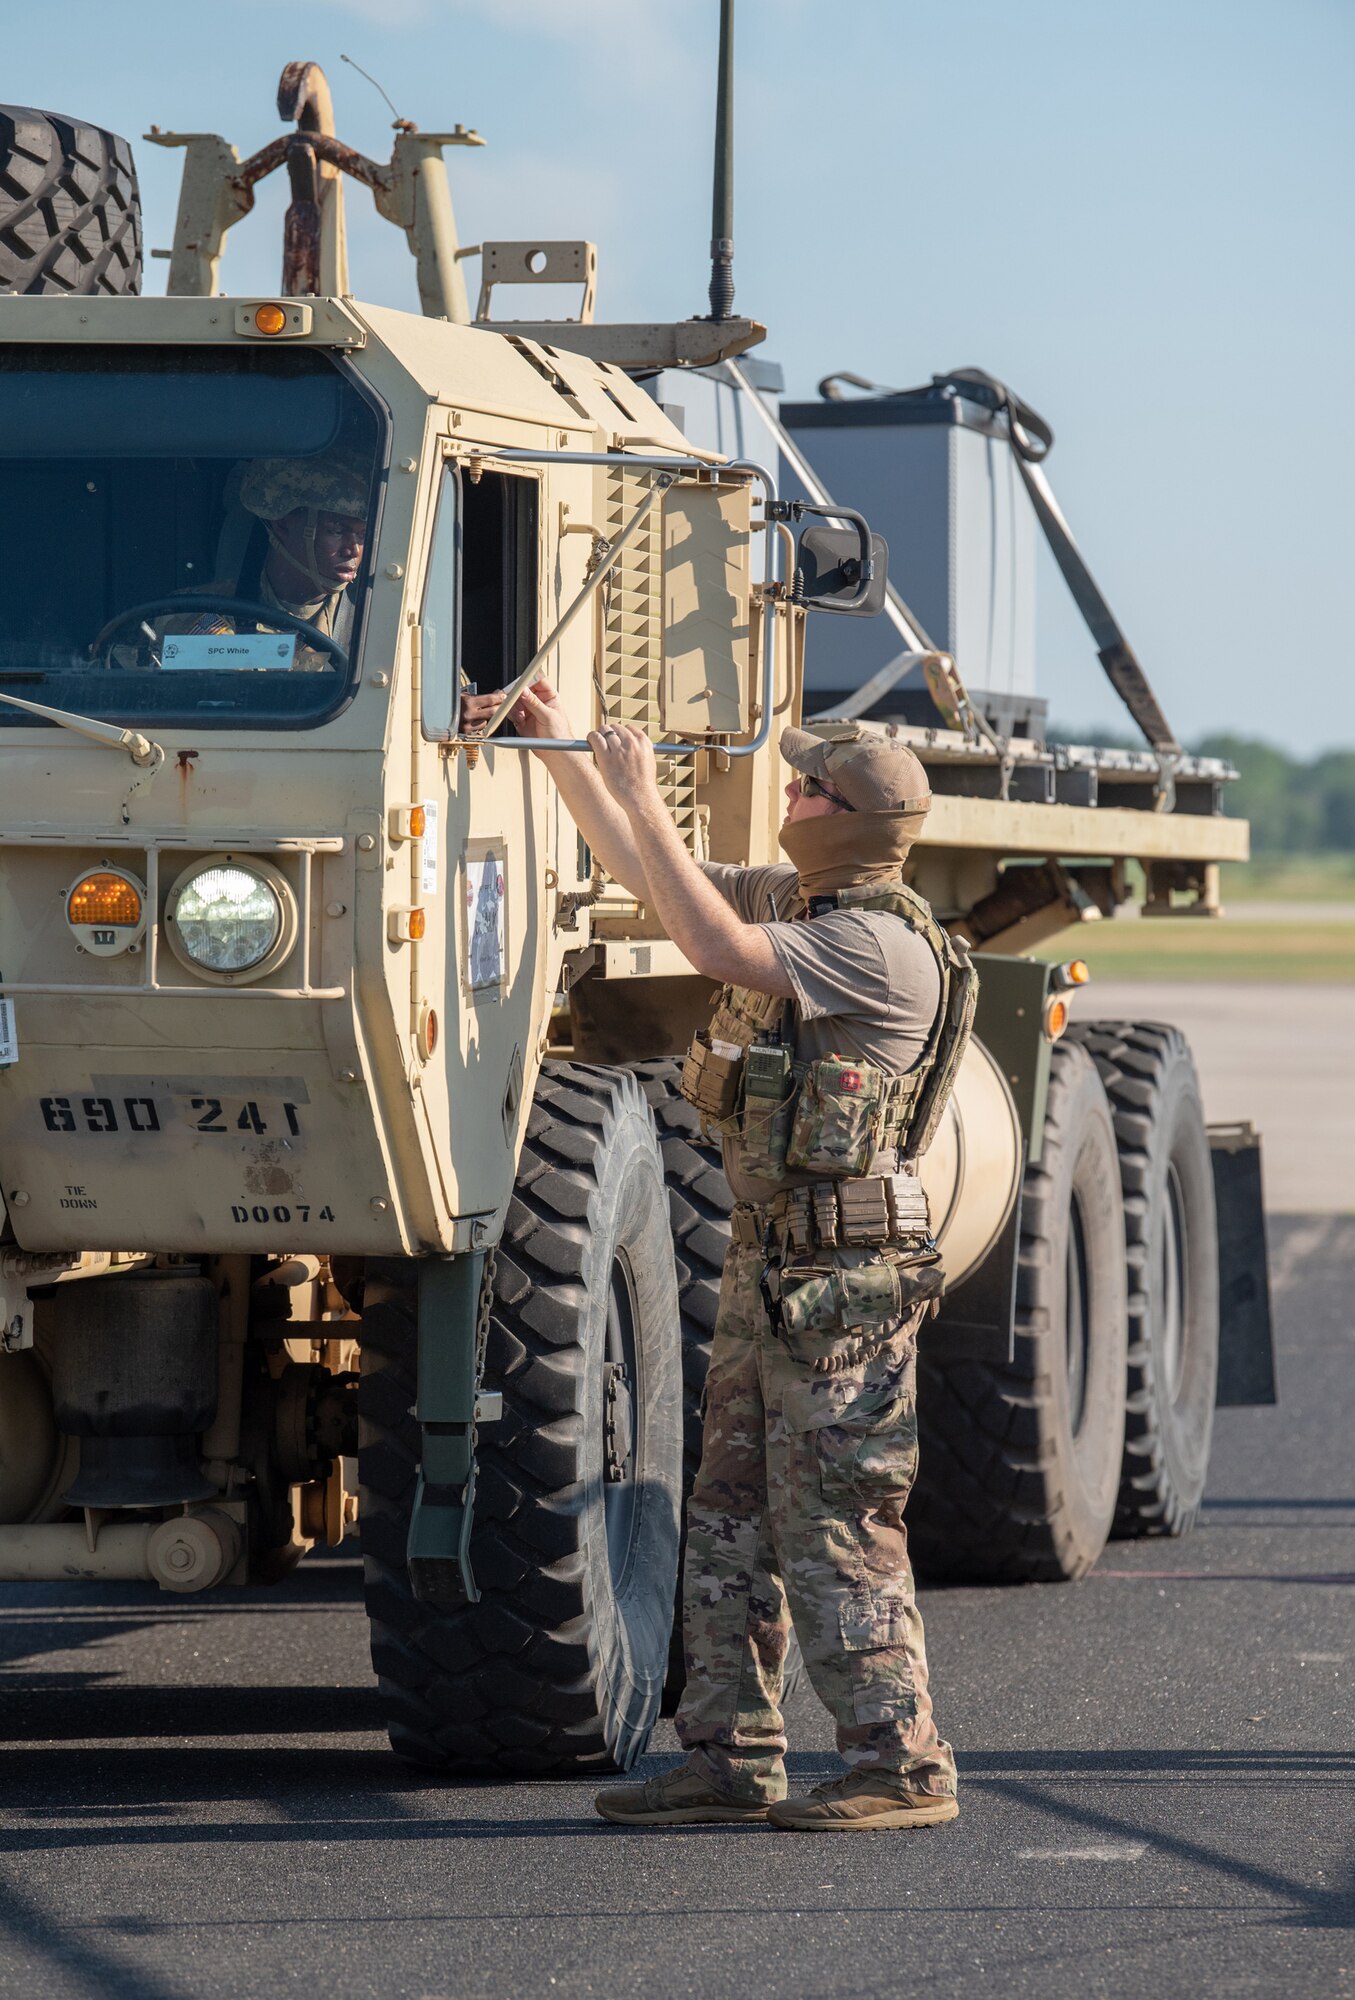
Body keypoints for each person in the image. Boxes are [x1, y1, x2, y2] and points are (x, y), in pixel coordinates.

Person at [463, 677, 966, 1833]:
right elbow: (657, 884)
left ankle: (901, 1759)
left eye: (805, 784)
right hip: (775, 1265)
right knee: (730, 1507)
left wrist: (643, 784)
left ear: (843, 819)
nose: (786, 792)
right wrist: (563, 751)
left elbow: (709, 941)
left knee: (836, 1512)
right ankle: (731, 1750)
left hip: (842, 1278)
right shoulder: (809, 897)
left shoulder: (871, 945)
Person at [157, 451, 369, 671]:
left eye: (362, 535)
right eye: (336, 530)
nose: (353, 550)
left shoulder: (376, 620)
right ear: (282, 525)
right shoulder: (190, 616)